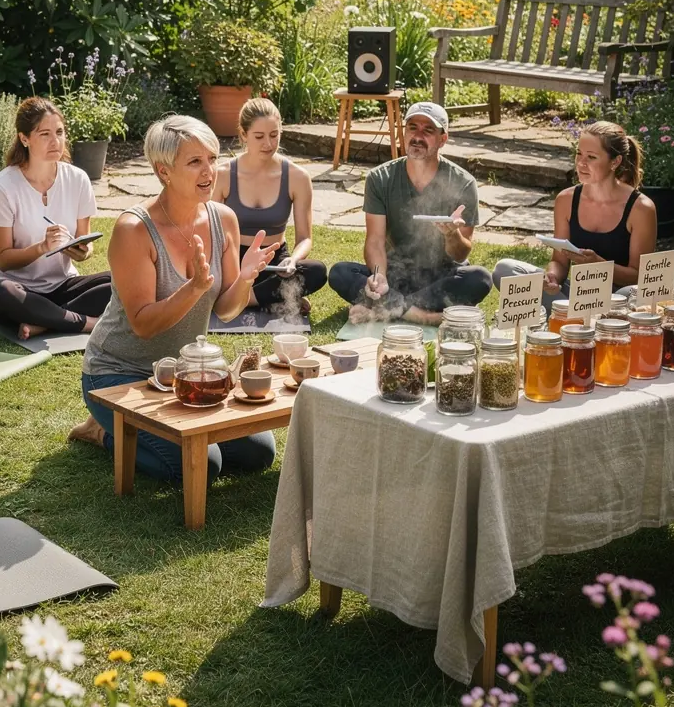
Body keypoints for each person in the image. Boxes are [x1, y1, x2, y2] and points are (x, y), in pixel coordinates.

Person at [72, 115, 280, 483]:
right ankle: (102, 432)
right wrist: (195, 287)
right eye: (195, 162)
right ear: (163, 171)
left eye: (212, 159)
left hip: (183, 374)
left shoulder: (223, 219)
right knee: (198, 467)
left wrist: (246, 279)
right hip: (118, 373)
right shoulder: (134, 229)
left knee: (258, 453)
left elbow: (228, 310)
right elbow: (143, 323)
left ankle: (137, 430)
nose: (209, 171)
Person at [328, 101, 492, 325]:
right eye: (412, 127)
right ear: (403, 133)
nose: (418, 136)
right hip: (395, 275)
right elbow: (375, 241)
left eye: (428, 130)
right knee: (340, 273)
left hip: (440, 276)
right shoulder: (380, 178)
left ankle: (387, 308)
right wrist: (380, 276)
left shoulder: (463, 183)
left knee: (479, 278)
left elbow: (460, 255)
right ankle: (421, 315)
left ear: (443, 139)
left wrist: (451, 235)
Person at [493, 120, 656, 314]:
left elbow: (640, 277)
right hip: (576, 295)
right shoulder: (566, 200)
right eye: (578, 153)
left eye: (591, 157)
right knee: (505, 270)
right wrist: (552, 277)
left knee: (634, 295)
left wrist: (598, 264)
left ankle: (567, 318)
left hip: (617, 300)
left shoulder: (641, 208)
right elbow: (560, 261)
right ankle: (576, 319)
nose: (581, 163)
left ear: (615, 161)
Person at [0, 98, 111, 340]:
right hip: (17, 289)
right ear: (24, 138)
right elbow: (3, 261)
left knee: (119, 281)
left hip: (61, 287)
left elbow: (86, 242)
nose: (55, 141)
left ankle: (46, 322)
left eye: (60, 132)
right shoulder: (1, 187)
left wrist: (83, 250)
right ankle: (86, 323)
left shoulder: (78, 179)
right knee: (0, 293)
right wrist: (42, 247)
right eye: (45, 134)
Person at [212, 98, 327, 315]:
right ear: (244, 134)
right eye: (259, 136)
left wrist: (293, 259)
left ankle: (242, 300)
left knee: (316, 271)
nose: (268, 144)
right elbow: (210, 232)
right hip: (234, 262)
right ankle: (274, 297)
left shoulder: (298, 177)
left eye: (274, 135)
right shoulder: (223, 174)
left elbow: (305, 238)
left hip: (274, 265)